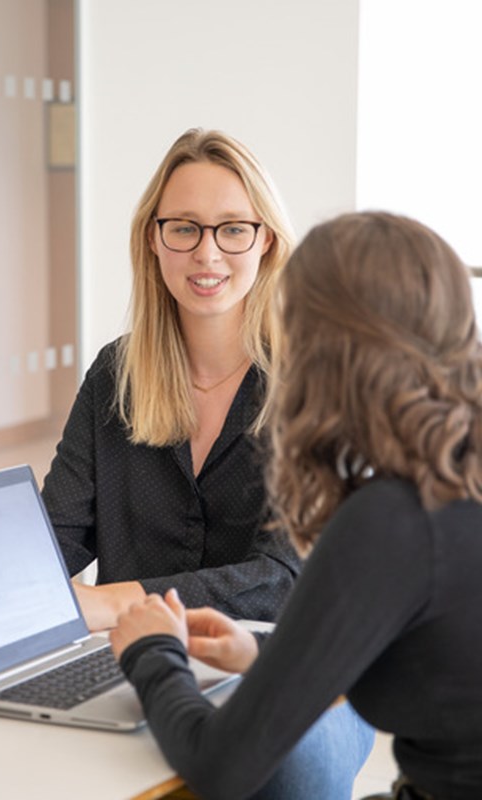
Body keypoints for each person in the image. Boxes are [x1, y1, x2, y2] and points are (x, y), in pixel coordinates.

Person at [42, 128, 373, 798]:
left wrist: (116, 603)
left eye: (231, 230)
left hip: (284, 670)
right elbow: (54, 539)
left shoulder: (313, 381)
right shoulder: (116, 374)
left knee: (277, 768)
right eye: (184, 228)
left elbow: (283, 579)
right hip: (136, 666)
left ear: (266, 241)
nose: (206, 252)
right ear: (153, 239)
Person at [110, 210, 482, 800]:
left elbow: (220, 767)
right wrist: (257, 649)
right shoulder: (456, 476)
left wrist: (151, 650)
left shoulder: (392, 519)